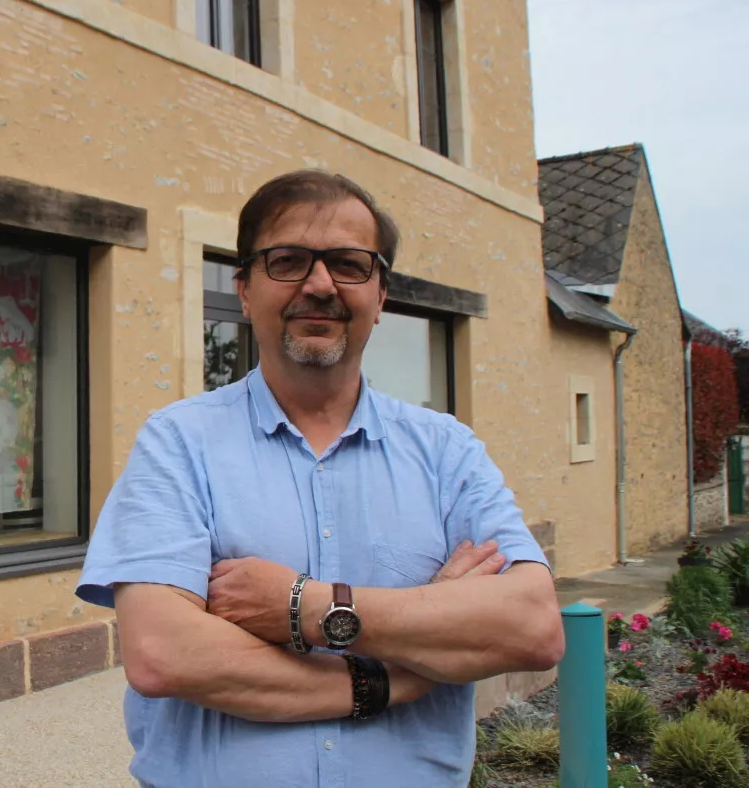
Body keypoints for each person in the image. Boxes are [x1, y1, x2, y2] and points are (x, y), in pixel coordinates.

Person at [74, 170, 565, 788]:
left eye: (349, 264)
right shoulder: (178, 443)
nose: (320, 284)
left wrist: (304, 606)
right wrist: (392, 676)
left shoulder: (448, 452)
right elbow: (162, 654)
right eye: (288, 261)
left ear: (380, 295)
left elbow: (533, 627)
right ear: (245, 290)